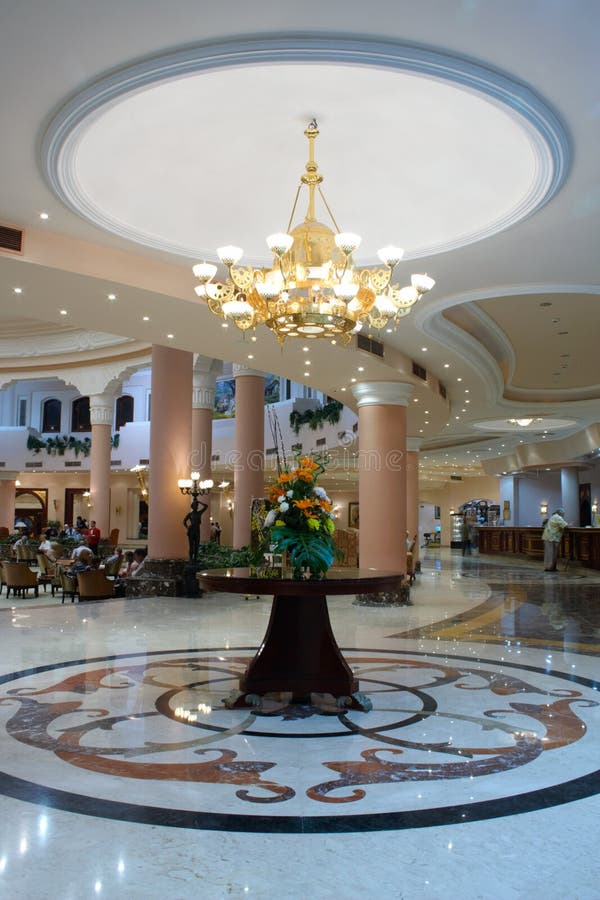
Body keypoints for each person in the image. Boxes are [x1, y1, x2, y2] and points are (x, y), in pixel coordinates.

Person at [542, 507, 568, 572]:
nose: (563, 515)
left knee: (550, 553)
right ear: (560, 513)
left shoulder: (553, 516)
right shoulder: (558, 517)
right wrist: (569, 524)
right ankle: (550, 567)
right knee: (551, 553)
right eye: (563, 514)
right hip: (552, 538)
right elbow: (565, 525)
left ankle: (550, 567)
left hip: (549, 537)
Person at [183, 497, 208, 562]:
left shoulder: (199, 513)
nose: (196, 506)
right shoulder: (190, 514)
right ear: (192, 506)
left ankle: (195, 559)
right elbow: (184, 521)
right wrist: (187, 528)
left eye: (197, 505)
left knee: (197, 545)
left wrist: (198, 501)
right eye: (195, 505)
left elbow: (206, 506)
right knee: (191, 546)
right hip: (191, 530)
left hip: (197, 530)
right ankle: (191, 559)